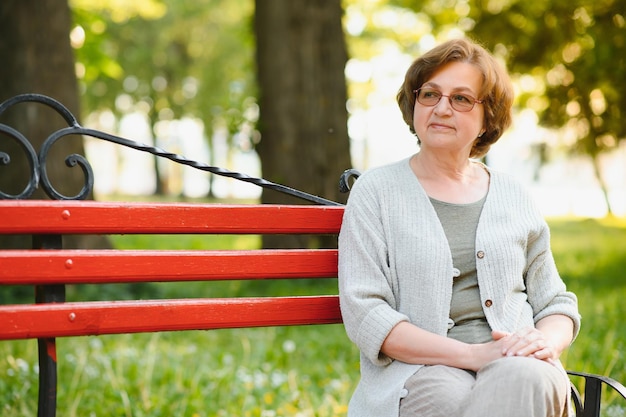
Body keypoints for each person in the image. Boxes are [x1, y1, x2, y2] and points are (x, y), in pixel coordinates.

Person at [338, 37, 581, 417]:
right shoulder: (376, 191)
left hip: (518, 364)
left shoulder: (513, 194)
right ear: (414, 104)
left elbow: (556, 303)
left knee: (525, 379)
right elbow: (368, 314)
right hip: (419, 371)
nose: (442, 108)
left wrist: (543, 343)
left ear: (488, 117)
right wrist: (474, 355)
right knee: (449, 401)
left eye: (462, 98)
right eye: (430, 94)